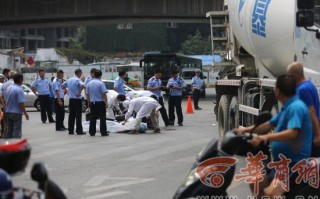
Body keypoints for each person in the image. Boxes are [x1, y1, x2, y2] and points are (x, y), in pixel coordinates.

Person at [235, 75, 313, 198]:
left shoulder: (296, 107)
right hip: (280, 163)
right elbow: (268, 125)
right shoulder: (287, 107)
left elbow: (293, 132)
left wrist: (265, 138)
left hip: (295, 165)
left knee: (272, 193)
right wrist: (244, 130)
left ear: (277, 91)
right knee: (255, 182)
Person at [287, 62, 320, 157]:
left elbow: (311, 111)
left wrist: (317, 135)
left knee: (307, 167)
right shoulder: (310, 85)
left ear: (290, 75)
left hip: (309, 136)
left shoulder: (302, 90)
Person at [4, 73, 29, 138]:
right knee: (17, 130)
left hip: (8, 112)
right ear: (20, 80)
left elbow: (5, 99)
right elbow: (21, 103)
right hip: (16, 113)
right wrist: (25, 113)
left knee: (9, 130)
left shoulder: (9, 88)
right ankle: (16, 145)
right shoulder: (19, 89)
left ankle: (9, 145)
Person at [86, 69, 110, 136]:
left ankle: (92, 132)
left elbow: (87, 94)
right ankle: (103, 132)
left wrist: (88, 102)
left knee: (92, 118)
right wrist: (106, 102)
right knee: (102, 118)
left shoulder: (89, 84)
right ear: (100, 76)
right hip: (100, 103)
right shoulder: (101, 83)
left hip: (92, 103)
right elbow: (104, 93)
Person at [62, 69, 85, 135]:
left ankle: (70, 130)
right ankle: (79, 131)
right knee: (78, 115)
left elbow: (62, 85)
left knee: (71, 115)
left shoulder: (69, 79)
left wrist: (66, 91)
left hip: (71, 99)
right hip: (77, 99)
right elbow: (83, 85)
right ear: (79, 73)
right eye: (81, 73)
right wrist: (79, 92)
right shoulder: (78, 80)